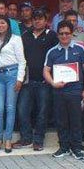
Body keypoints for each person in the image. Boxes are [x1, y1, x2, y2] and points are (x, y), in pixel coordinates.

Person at [43, 20, 84, 161]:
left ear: (71, 34)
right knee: (61, 121)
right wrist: (53, 83)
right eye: (61, 33)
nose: (64, 36)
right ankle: (63, 147)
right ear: (58, 35)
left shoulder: (80, 49)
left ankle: (76, 148)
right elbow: (46, 70)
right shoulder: (52, 52)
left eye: (67, 33)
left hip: (76, 91)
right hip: (59, 92)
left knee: (76, 121)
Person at [15, 8, 58, 151]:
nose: (37, 21)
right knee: (22, 110)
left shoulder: (52, 35)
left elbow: (56, 56)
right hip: (27, 81)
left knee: (42, 112)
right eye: (35, 18)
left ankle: (38, 140)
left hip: (44, 81)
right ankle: (26, 139)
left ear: (46, 21)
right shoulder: (25, 35)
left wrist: (52, 77)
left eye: (40, 18)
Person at [0, 17, 26, 153]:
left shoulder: (16, 39)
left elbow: (22, 61)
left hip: (12, 75)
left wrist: (20, 79)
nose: (0, 25)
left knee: (10, 108)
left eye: (3, 23)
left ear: (8, 25)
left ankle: (8, 139)